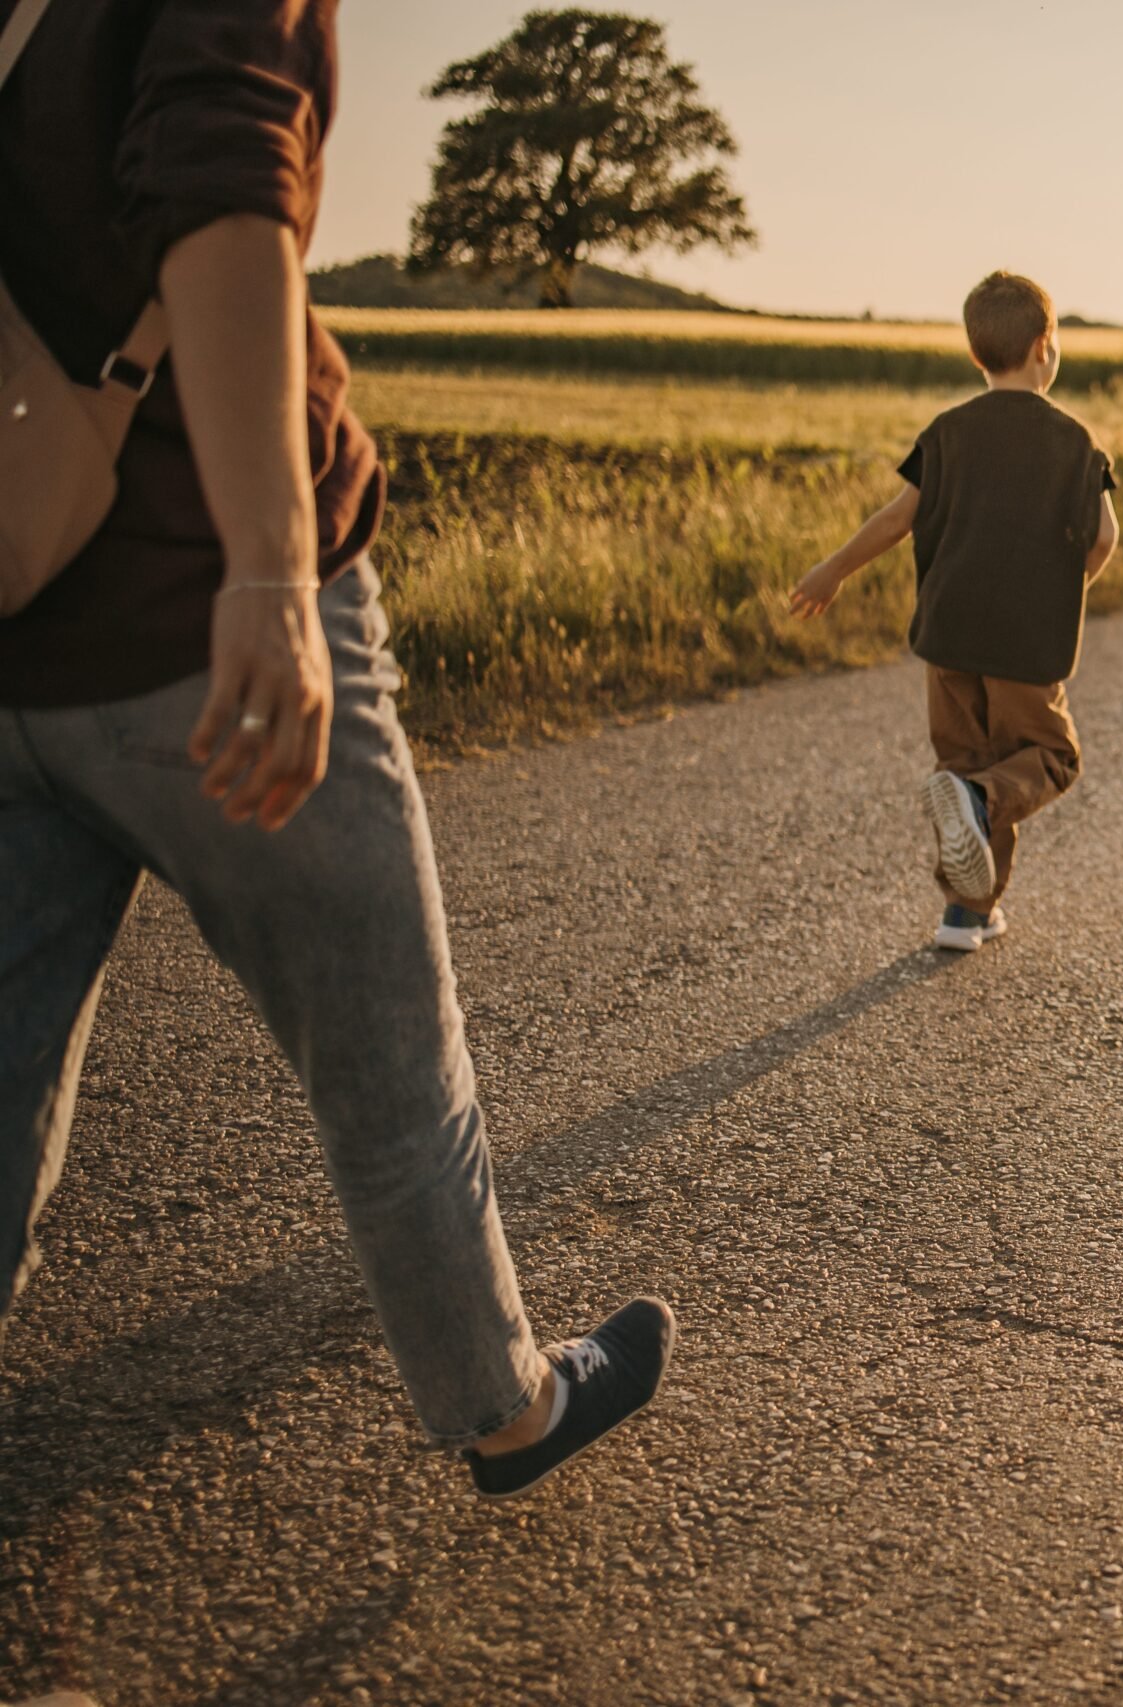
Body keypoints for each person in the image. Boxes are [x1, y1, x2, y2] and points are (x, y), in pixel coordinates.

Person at [0, 0, 668, 1500]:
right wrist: (271, 574)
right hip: (193, 619)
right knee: (387, 1059)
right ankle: (507, 1404)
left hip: (9, 604)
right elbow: (227, 191)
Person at [791, 270, 1119, 952]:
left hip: (949, 635)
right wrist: (1061, 589)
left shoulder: (946, 433)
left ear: (976, 355)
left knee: (970, 764)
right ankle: (977, 812)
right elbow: (1105, 538)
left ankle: (966, 914)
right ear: (1044, 346)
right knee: (1048, 759)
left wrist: (833, 569)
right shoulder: (1075, 442)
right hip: (1025, 645)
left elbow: (897, 518)